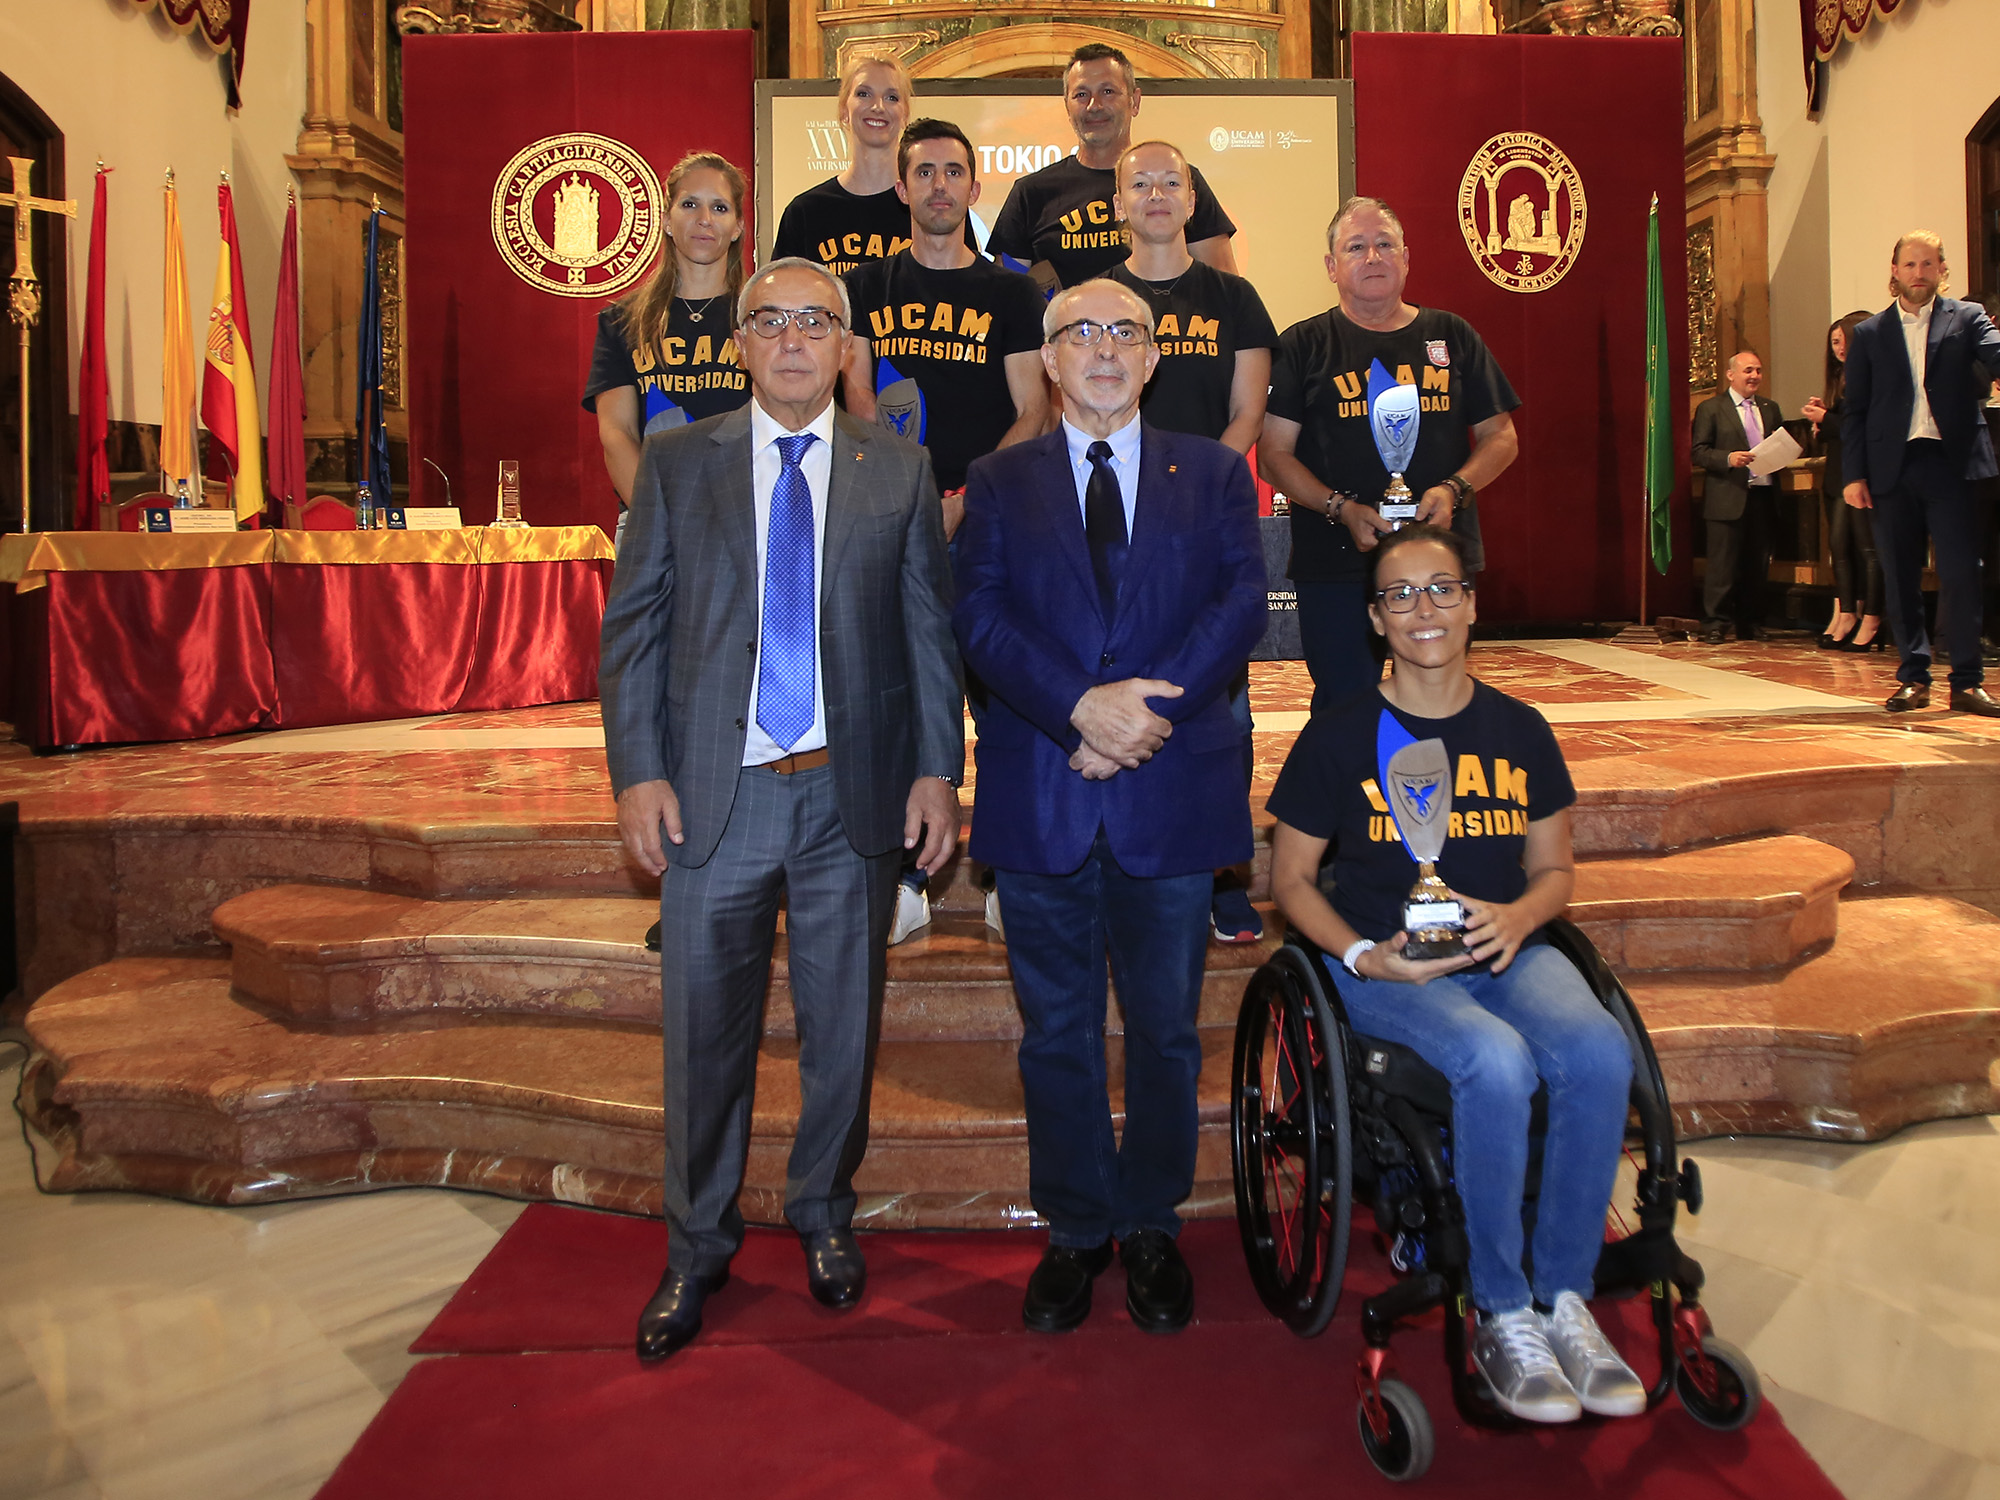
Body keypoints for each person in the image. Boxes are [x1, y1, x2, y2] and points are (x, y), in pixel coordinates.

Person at [600, 257, 965, 1361]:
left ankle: (821, 1216)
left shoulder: (895, 469)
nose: (796, 339)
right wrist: (636, 774)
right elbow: (634, 636)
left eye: (817, 322)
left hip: (845, 800)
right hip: (715, 797)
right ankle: (696, 1245)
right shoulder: (676, 464)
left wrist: (935, 770)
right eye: (773, 321)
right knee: (702, 1041)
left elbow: (925, 635)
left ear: (844, 347)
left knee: (839, 1035)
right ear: (744, 343)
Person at [1265, 522, 1643, 1426]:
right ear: (1374, 619)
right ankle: (1500, 1305)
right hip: (1387, 967)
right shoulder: (1340, 735)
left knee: (1597, 1049)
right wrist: (1363, 958)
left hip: (1504, 949)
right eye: (1401, 595)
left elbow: (1554, 871)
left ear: (1472, 602)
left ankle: (1565, 1298)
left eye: (1441, 588)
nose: (1423, 609)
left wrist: (1519, 915)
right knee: (1496, 1063)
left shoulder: (1520, 728)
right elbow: (1289, 881)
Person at [953, 277, 1266, 1335]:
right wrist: (1077, 710)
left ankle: (1150, 1225)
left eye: (1122, 331)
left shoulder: (1217, 472)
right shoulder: (996, 481)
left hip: (1170, 794)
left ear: (1150, 357)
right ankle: (1077, 1227)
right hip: (1042, 790)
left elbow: (1234, 610)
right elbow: (978, 617)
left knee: (1168, 1035)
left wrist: (1137, 719)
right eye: (1076, 331)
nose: (1099, 347)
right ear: (1045, 358)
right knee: (1056, 1032)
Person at [840, 116, 1050, 944]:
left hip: (991, 521)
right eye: (921, 171)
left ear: (972, 186)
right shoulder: (866, 285)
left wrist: (966, 494)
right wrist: (912, 488)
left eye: (952, 172)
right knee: (895, 701)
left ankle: (1005, 870)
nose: (936, 185)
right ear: (902, 188)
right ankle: (905, 875)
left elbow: (1036, 407)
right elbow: (855, 396)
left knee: (1001, 698)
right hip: (891, 516)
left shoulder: (1009, 292)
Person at [1105, 138, 1277, 945]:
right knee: (1117, 676)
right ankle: (1119, 854)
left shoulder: (1233, 298)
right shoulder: (1096, 297)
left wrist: (1197, 480)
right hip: (1114, 516)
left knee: (1221, 706)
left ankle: (1221, 873)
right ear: (1118, 204)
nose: (1156, 194)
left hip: (1206, 512)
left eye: (1170, 181)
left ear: (1191, 198)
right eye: (1139, 183)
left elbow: (1247, 411)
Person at [1260, 196, 1519, 716]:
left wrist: (1455, 490)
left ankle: (1433, 799)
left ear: (1406, 258)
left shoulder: (1453, 335)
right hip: (1334, 564)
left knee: (1437, 702)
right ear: (1332, 266)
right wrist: (1340, 508)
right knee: (1344, 707)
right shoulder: (1302, 344)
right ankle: (1344, 800)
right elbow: (1273, 457)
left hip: (1437, 562)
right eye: (1356, 247)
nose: (1372, 256)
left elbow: (1502, 437)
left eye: (1385, 244)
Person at [1841, 230, 2000, 716]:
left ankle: (1967, 681)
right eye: (1910, 265)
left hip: (1949, 465)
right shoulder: (1869, 335)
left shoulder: (1967, 318)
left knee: (1960, 574)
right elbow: (1856, 410)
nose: (1918, 274)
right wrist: (1854, 474)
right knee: (1900, 576)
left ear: (1941, 270)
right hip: (1892, 467)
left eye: (1928, 265)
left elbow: (1995, 353)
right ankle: (1914, 677)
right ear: (1894, 271)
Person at [582, 152, 751, 551]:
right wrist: (663, 518)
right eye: (689, 204)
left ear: (738, 226)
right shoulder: (622, 320)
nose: (704, 219)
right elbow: (617, 433)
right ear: (666, 219)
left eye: (720, 207)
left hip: (745, 520)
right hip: (650, 524)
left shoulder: (763, 318)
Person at [986, 44, 1236, 293]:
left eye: (1108, 91)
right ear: (1067, 105)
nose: (1094, 105)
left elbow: (1224, 293)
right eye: (1081, 94)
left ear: (1134, 101)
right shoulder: (1030, 193)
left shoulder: (1179, 183)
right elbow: (1007, 300)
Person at [771, 55, 971, 276]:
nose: (878, 106)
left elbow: (964, 290)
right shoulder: (805, 213)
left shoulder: (936, 205)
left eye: (892, 97)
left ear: (905, 113)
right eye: (863, 94)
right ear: (843, 109)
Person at [1690, 351, 1789, 644]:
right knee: (1722, 564)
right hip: (1727, 496)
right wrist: (1728, 458)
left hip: (1763, 495)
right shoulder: (1711, 408)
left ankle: (1751, 622)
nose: (1754, 376)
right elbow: (1698, 451)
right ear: (1731, 375)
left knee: (1756, 564)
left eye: (1758, 370)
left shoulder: (1771, 408)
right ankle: (1715, 623)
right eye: (1748, 370)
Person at [1801, 312, 1883, 651]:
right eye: (1833, 342)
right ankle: (1846, 611)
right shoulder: (1840, 379)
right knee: (1838, 547)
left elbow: (1865, 429)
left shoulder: (1872, 374)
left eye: (1842, 340)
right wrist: (1824, 421)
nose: (1838, 348)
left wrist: (1828, 420)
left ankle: (1873, 618)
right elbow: (1842, 428)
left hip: (1865, 471)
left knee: (1868, 549)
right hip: (1838, 470)